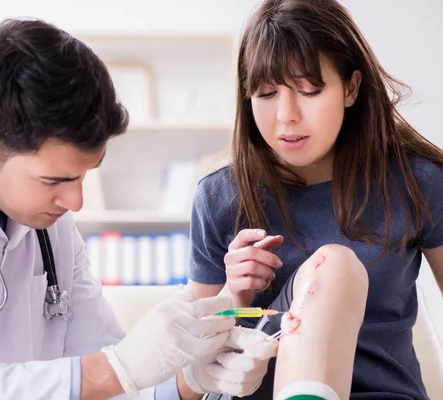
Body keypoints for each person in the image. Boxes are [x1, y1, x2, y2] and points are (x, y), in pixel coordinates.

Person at [0, 18, 277, 400]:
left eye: (85, 174)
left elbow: (116, 385)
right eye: (55, 181)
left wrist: (192, 377)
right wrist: (118, 368)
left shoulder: (48, 221)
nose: (76, 203)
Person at [187, 0, 443, 399]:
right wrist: (231, 298)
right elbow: (191, 379)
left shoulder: (417, 183)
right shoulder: (221, 197)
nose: (286, 116)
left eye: (309, 90)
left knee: (334, 266)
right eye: (266, 93)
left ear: (351, 88)